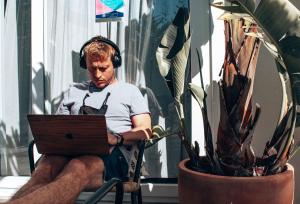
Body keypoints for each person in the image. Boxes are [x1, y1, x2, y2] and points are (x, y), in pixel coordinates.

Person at [7, 36, 151, 204]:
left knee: (78, 167)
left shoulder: (130, 92)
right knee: (44, 171)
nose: (97, 75)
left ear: (115, 63)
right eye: (92, 69)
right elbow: (58, 127)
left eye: (103, 68)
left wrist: (117, 138)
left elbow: (145, 130)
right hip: (67, 152)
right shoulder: (74, 91)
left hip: (112, 156)